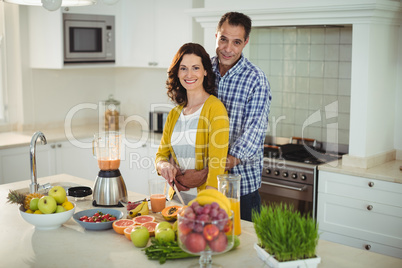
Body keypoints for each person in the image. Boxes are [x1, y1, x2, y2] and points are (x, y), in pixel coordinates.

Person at [213, 12, 271, 221]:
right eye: (224, 39)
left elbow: (254, 131)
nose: (228, 49)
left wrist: (216, 164)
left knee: (244, 247)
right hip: (207, 185)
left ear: (245, 42)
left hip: (242, 188)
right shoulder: (202, 71)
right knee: (211, 244)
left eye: (236, 42)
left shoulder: (256, 79)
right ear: (216, 36)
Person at [155, 43, 229, 201]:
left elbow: (217, 164)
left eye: (195, 68)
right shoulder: (175, 113)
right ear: (177, 72)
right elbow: (161, 155)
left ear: (205, 71)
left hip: (204, 200)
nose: (189, 74)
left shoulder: (215, 108)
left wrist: (206, 205)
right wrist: (164, 166)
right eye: (183, 68)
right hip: (176, 199)